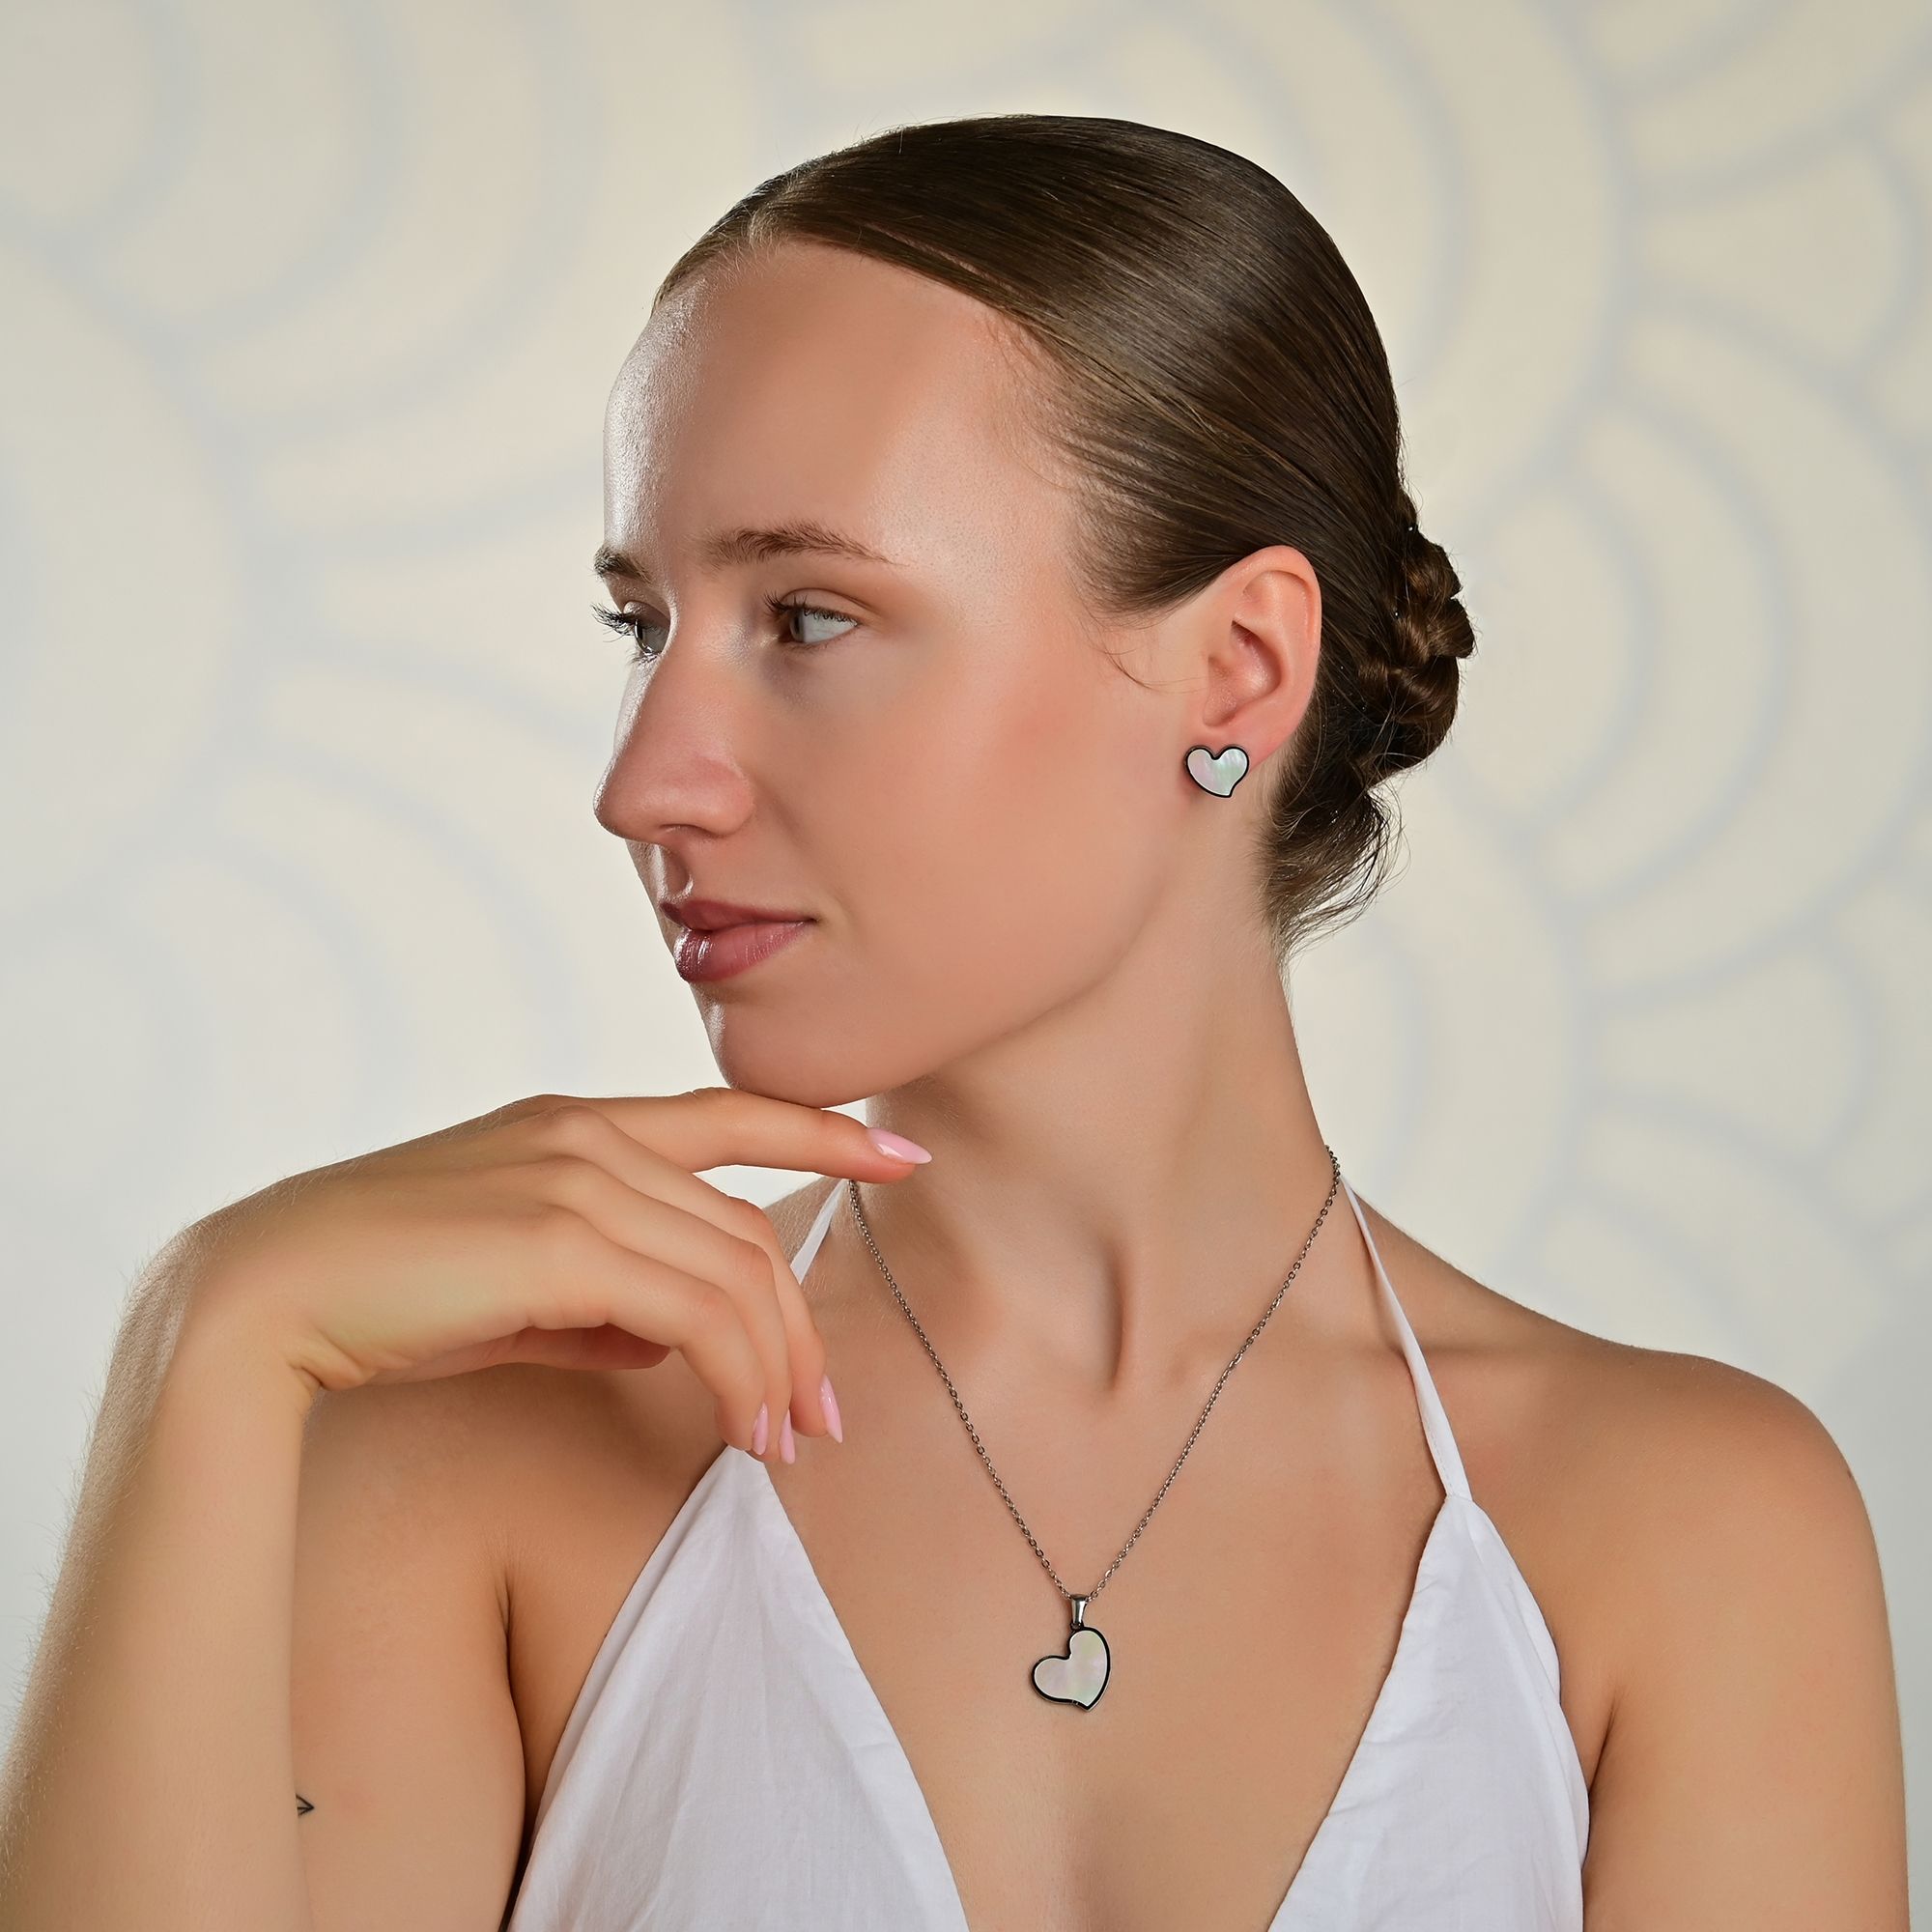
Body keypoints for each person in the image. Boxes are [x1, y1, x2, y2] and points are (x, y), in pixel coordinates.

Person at [0, 112, 1907, 1931]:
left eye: (809, 618)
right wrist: (207, 1338)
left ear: (1236, 667)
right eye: (642, 625)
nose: (645, 782)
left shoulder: (1679, 1534)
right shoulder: (470, 1469)